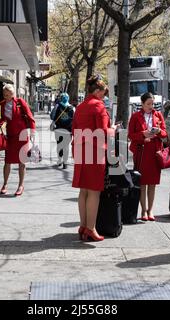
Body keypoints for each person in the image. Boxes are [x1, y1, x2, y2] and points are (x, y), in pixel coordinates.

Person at [72, 75, 114, 242]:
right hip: (95, 151)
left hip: (81, 149)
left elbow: (74, 129)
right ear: (97, 91)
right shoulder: (98, 106)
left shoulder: (81, 107)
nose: (104, 97)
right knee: (94, 192)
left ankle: (83, 225)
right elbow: (103, 132)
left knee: (83, 191)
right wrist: (113, 129)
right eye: (103, 93)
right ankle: (90, 228)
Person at [128, 92, 168, 222]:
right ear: (142, 104)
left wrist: (159, 131)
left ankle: (150, 210)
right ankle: (143, 210)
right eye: (148, 104)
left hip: (155, 152)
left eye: (152, 103)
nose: (151, 106)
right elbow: (130, 135)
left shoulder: (158, 115)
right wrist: (142, 135)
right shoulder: (135, 116)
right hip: (141, 152)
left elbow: (164, 133)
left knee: (153, 183)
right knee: (142, 182)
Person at [0, 84, 36, 197]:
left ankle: (20, 185)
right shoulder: (2, 104)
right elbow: (2, 119)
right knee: (7, 161)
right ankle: (4, 184)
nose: (6, 96)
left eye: (8, 94)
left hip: (22, 136)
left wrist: (32, 131)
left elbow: (30, 116)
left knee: (21, 162)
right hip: (11, 136)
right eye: (4, 94)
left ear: (12, 94)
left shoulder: (20, 102)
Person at [53, 93, 75, 169]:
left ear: (61, 98)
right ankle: (65, 162)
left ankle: (60, 160)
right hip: (68, 130)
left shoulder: (57, 106)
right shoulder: (72, 108)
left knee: (59, 145)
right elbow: (75, 119)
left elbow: (52, 116)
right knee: (66, 146)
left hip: (59, 129)